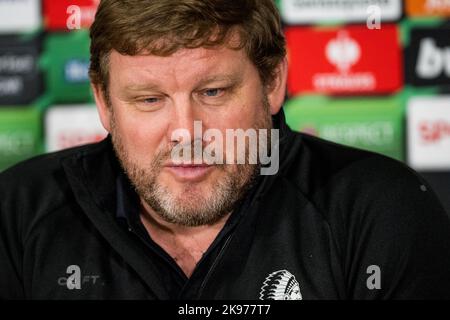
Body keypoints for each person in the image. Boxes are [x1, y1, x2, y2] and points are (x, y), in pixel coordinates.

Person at [1, 0, 450, 300]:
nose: (185, 132)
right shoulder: (19, 212)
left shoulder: (381, 209)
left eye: (213, 92)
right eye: (149, 100)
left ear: (273, 81)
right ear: (103, 101)